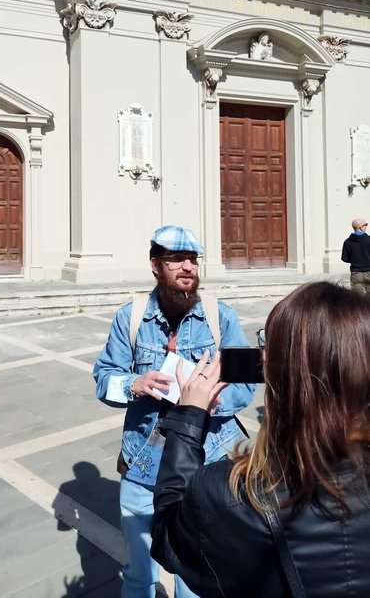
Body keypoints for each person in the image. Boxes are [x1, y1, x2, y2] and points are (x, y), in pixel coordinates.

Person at [151, 281, 370, 598]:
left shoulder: (231, 495)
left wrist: (189, 416)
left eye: (269, 346)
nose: (262, 356)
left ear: (283, 373)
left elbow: (168, 536)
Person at [93, 225, 255, 598]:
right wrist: (133, 384)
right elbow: (104, 377)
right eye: (176, 259)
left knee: (196, 578)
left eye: (193, 260)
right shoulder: (130, 318)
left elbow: (247, 384)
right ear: (155, 265)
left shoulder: (221, 317)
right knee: (138, 574)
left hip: (206, 464)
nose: (188, 267)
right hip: (143, 465)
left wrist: (209, 401)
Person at [341, 217, 370, 294]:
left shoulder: (347, 242)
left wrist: (355, 259)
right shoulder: (369, 240)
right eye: (365, 225)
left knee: (358, 300)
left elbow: (344, 258)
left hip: (356, 273)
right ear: (360, 227)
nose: (366, 226)